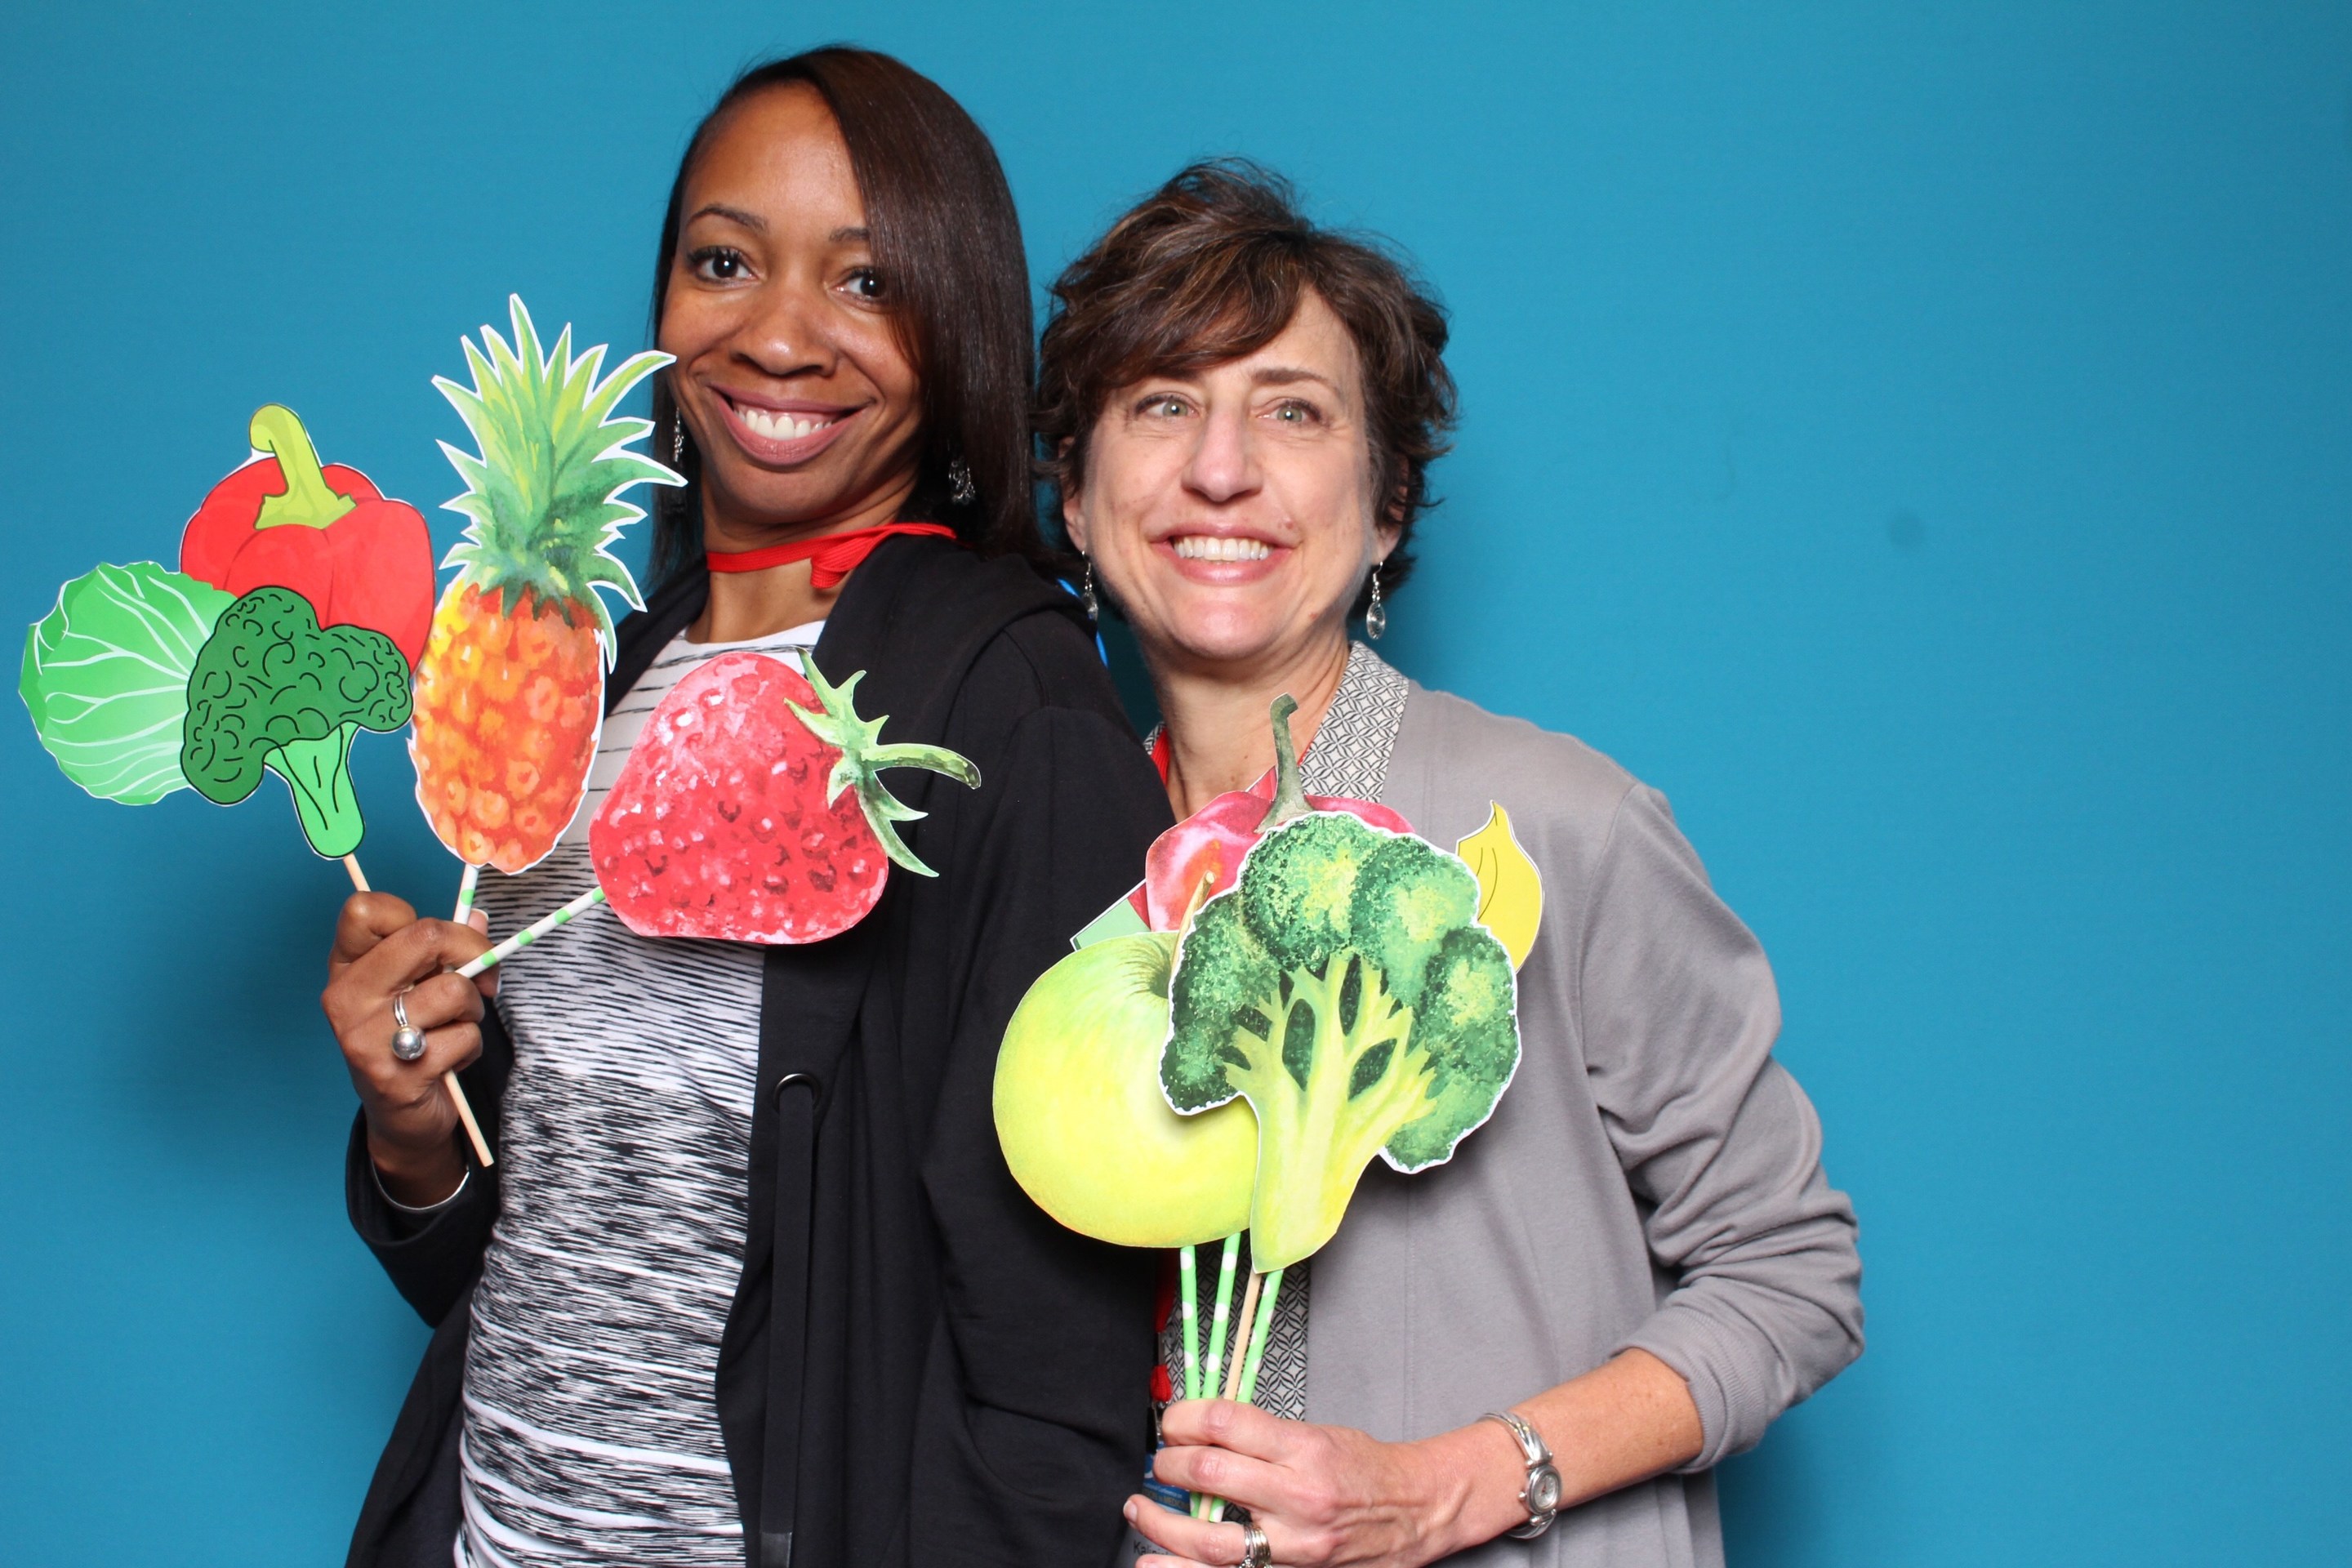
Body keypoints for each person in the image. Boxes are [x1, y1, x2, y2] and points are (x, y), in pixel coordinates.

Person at [322, 50, 1170, 1568]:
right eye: (725, 261)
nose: (778, 335)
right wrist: (408, 1127)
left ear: (955, 325)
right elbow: (523, 1252)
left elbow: (1058, 1382)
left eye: (865, 283)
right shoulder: (599, 669)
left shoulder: (1007, 711)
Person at [1038, 162, 1864, 1568]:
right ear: (1075, 494)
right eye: (1163, 403)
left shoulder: (1552, 825)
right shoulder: (1059, 877)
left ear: (1387, 505)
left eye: (1292, 410)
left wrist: (1451, 1488)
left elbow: (1793, 1275)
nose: (1221, 467)